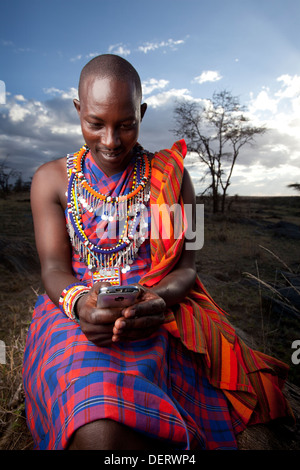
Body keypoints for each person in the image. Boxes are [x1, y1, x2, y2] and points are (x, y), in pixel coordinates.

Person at [23, 54, 294, 451]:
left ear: (143, 113)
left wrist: (158, 300)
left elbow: (188, 268)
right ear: (78, 110)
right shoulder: (50, 180)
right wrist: (82, 303)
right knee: (94, 425)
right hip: (71, 312)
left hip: (155, 312)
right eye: (94, 124)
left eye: (126, 124)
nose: (111, 141)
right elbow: (51, 270)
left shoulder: (175, 177)